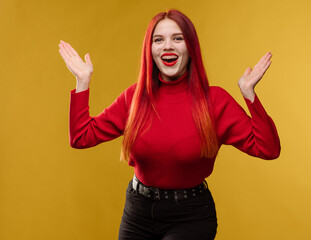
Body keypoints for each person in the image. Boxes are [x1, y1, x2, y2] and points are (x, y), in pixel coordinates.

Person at [58, 9, 280, 240]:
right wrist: (82, 82)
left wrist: (249, 94)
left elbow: (269, 149)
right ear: (150, 50)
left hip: (190, 216)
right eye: (158, 40)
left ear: (190, 47)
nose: (167, 46)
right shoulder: (134, 99)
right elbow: (81, 137)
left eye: (177, 38)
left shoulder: (215, 101)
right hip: (138, 212)